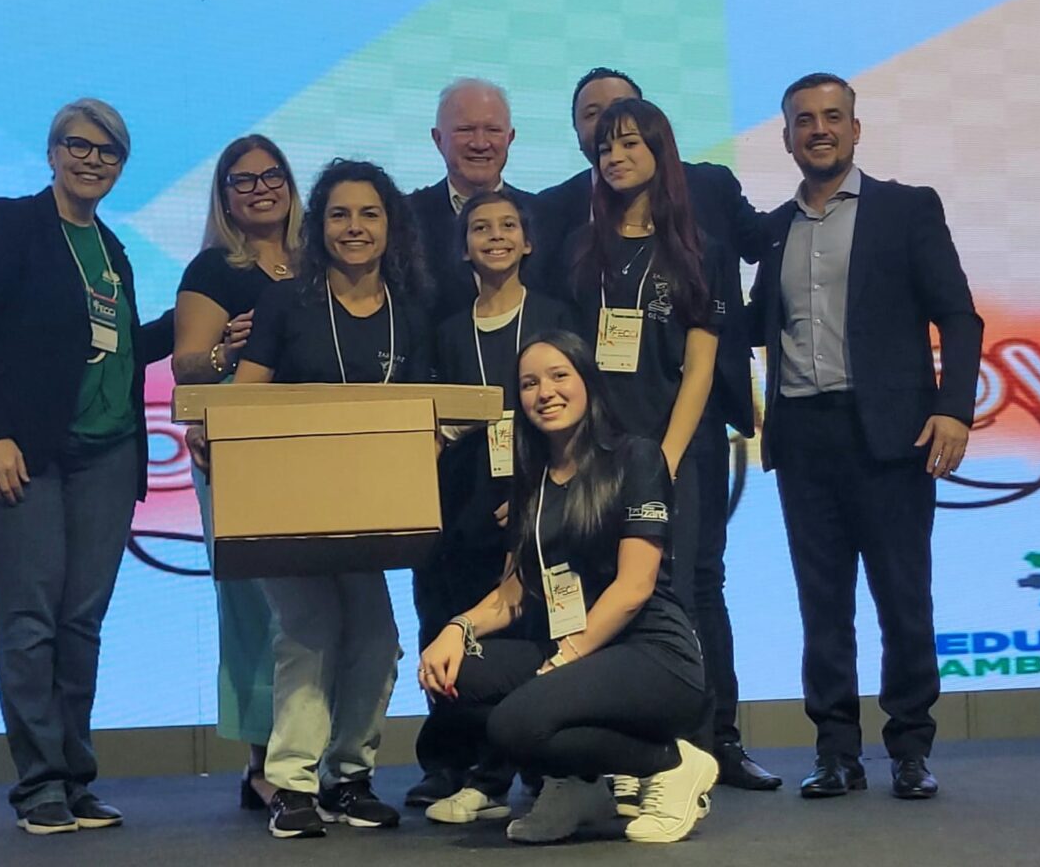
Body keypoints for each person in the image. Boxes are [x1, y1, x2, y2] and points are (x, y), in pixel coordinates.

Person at [540, 69, 780, 791]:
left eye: (630, 143)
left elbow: (702, 366)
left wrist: (666, 460)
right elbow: (574, 360)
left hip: (683, 446)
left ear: (658, 151)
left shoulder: (695, 245)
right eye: (605, 147)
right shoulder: (582, 248)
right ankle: (629, 751)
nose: (615, 158)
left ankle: (714, 742)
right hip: (600, 449)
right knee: (607, 586)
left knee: (695, 584)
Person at [747, 73, 983, 799]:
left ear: (856, 129)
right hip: (804, 438)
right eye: (803, 120)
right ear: (786, 137)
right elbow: (757, 325)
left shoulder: (907, 210)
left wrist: (954, 409)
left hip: (892, 435)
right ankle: (836, 753)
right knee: (822, 607)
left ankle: (910, 749)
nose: (818, 129)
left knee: (903, 599)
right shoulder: (776, 229)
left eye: (832, 117)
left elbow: (961, 318)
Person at [0, 99, 145, 835]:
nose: (92, 159)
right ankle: (39, 784)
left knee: (81, 623)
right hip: (19, 454)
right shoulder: (10, 223)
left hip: (106, 454)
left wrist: (211, 334)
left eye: (108, 152)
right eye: (78, 145)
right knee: (28, 622)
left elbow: (118, 345)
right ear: (51, 151)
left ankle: (77, 778)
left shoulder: (111, 249)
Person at [190, 158, 430, 838]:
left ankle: (349, 777)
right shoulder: (287, 302)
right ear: (319, 226)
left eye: (369, 214)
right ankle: (293, 783)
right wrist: (211, 430)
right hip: (285, 502)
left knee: (379, 639)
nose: (354, 228)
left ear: (391, 226)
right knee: (309, 631)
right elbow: (247, 394)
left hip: (371, 506)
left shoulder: (407, 310)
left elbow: (427, 407)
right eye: (340, 214)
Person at [419, 330, 717, 845]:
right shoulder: (532, 478)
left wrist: (567, 655)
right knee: (452, 680)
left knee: (517, 725)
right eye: (530, 383)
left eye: (560, 376)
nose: (545, 392)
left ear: (588, 383)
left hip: (650, 653)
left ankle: (670, 765)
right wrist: (456, 628)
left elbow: (634, 587)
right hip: (571, 651)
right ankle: (581, 784)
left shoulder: (636, 458)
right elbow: (512, 594)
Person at [411, 190, 574, 821]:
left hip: (537, 502)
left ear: (529, 242)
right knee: (463, 634)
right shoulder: (448, 332)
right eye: (481, 227)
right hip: (466, 507)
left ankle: (534, 767)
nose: (496, 236)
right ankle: (476, 769)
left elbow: (576, 410)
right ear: (463, 246)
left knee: (536, 636)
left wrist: (533, 492)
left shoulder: (556, 315)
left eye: (509, 226)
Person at [172, 134, 303, 813]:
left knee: (321, 608)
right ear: (224, 196)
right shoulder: (214, 269)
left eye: (269, 175)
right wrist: (228, 349)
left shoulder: (324, 258)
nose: (258, 189)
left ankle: (313, 753)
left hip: (319, 451)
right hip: (236, 451)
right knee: (256, 607)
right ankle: (263, 760)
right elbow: (184, 366)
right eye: (241, 181)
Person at [408, 78, 536, 323]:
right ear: (437, 139)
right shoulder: (405, 217)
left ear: (510, 138)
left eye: (493, 130)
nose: (480, 143)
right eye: (465, 130)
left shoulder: (542, 215)